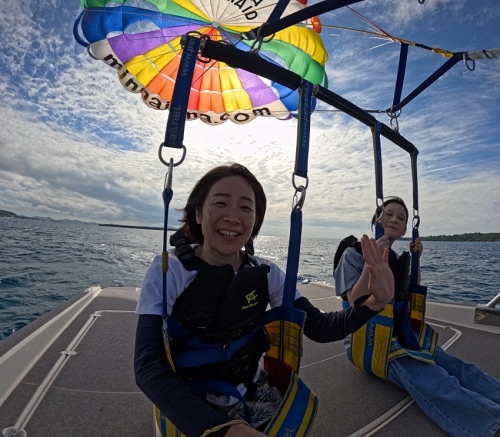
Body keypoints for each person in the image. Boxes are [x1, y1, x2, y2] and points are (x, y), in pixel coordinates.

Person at [134, 163, 395, 437]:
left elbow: (319, 327)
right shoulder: (170, 270)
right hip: (189, 400)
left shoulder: (265, 272)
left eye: (246, 208)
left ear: (255, 221)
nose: (233, 217)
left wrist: (375, 302)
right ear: (198, 213)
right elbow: (148, 366)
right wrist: (227, 431)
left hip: (252, 392)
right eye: (221, 203)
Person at [334, 196, 500, 437]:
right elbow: (354, 304)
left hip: (400, 335)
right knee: (429, 376)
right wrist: (372, 263)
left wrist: (416, 260)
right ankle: (491, 426)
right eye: (388, 214)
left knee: (456, 366)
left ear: (404, 230)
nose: (394, 219)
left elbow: (410, 297)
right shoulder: (353, 254)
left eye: (401, 218)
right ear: (376, 219)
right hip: (366, 342)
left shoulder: (397, 260)